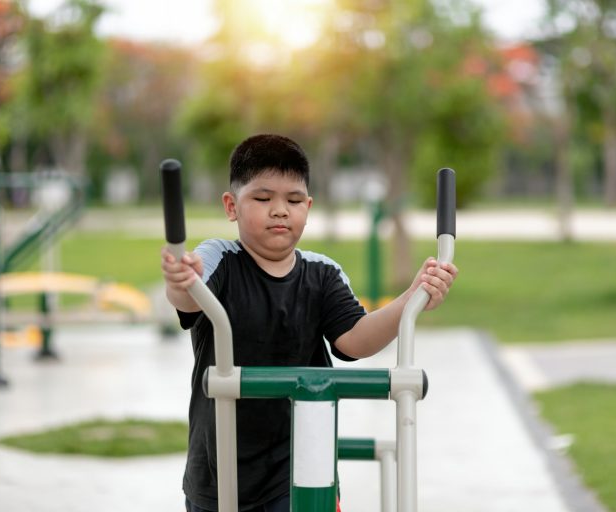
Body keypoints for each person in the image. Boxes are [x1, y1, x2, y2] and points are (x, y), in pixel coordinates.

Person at [162, 133, 458, 512]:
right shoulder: (219, 257)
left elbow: (355, 340)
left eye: (294, 200)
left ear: (309, 206)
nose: (280, 210)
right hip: (218, 471)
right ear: (231, 206)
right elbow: (190, 297)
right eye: (263, 198)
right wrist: (181, 280)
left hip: (300, 468)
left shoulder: (322, 273)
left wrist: (411, 297)